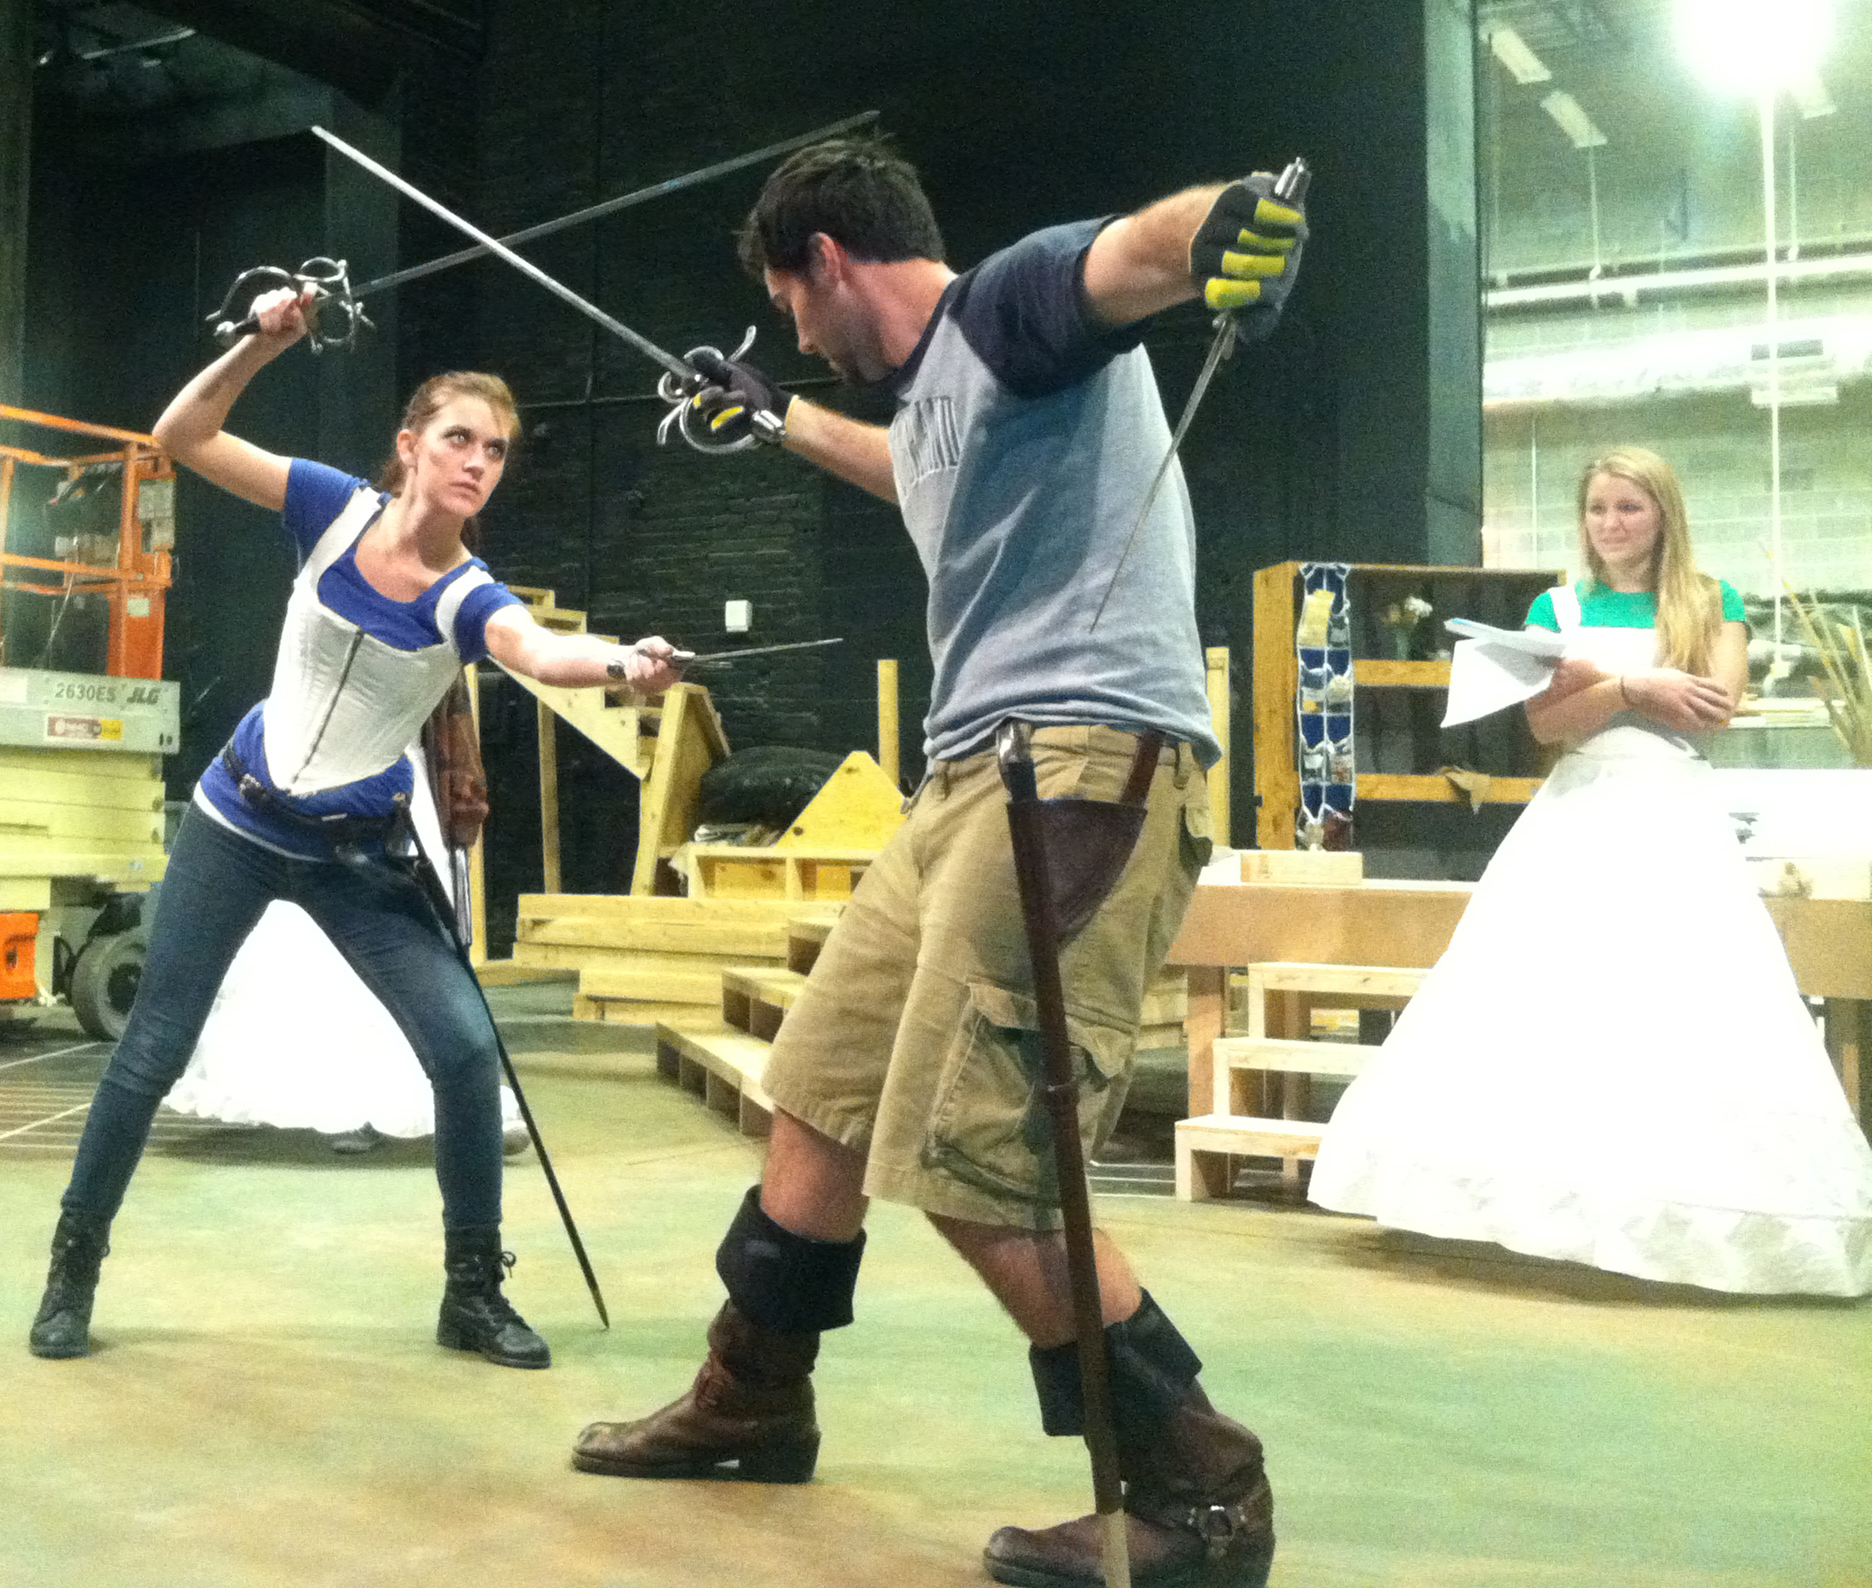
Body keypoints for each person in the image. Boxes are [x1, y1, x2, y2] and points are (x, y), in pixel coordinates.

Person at [570, 139, 1307, 1587]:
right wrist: (775, 416)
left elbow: (1132, 256)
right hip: (969, 778)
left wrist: (1223, 224)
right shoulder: (946, 403)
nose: (794, 335)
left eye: (789, 308)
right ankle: (756, 1398)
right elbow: (906, 474)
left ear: (829, 262)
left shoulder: (1009, 307)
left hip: (1081, 764)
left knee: (980, 1160)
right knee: (822, 1091)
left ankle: (1202, 1490)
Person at [28, 285, 682, 1368]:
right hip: (237, 821)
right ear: (411, 447)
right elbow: (181, 437)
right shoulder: (329, 508)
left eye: (497, 451)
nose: (478, 461)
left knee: (469, 1055)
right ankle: (72, 1270)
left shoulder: (467, 593)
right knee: (149, 1048)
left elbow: (538, 653)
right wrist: (260, 341)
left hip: (355, 854)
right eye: (460, 439)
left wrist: (621, 660)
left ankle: (471, 1293)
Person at [1310, 446, 1872, 1297]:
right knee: (1549, 994)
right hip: (1579, 813)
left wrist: (1601, 681)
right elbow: (1547, 724)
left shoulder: (1709, 600)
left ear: (1663, 516)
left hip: (1672, 817)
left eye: (1629, 509)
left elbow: (1713, 710)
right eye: (1598, 509)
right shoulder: (1555, 606)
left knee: (1681, 1001)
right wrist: (1636, 689)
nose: (1611, 525)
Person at [162, 752, 530, 1157]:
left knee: (417, 952)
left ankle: (470, 1108)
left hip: (401, 783)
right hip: (324, 783)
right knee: (325, 953)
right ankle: (359, 1102)